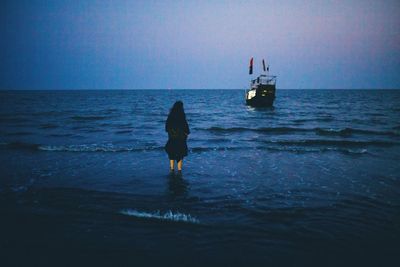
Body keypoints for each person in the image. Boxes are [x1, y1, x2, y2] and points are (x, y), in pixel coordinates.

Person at [165, 101, 190, 173]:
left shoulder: (170, 116)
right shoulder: (182, 116)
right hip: (181, 138)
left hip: (172, 137)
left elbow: (166, 128)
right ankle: (179, 170)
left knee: (171, 153)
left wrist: (171, 132)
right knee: (180, 154)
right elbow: (186, 128)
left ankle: (172, 169)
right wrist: (186, 134)